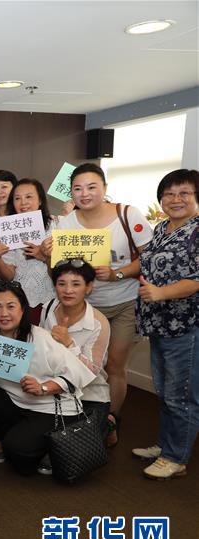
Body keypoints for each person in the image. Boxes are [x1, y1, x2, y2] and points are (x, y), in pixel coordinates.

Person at [43, 163, 153, 446]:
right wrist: (48, 255)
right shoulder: (66, 223)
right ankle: (83, 419)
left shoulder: (127, 214)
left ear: (104, 188)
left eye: (92, 187)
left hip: (125, 301)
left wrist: (118, 273)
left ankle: (110, 421)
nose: (85, 194)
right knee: (86, 363)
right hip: (88, 306)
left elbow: (149, 257)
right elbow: (60, 269)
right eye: (78, 188)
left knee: (115, 365)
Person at [0, 281, 95, 474]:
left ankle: (53, 447)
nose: (4, 313)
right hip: (18, 404)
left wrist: (43, 387)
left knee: (18, 453)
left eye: (10, 306)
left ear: (23, 309)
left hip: (51, 409)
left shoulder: (39, 337)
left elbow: (77, 373)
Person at [133, 169, 199, 480]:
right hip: (159, 324)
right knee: (164, 392)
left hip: (186, 325)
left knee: (181, 395)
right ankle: (166, 445)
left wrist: (161, 293)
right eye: (168, 194)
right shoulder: (161, 228)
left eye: (184, 193)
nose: (175, 199)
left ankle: (176, 457)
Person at [40, 259, 110, 424]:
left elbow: (91, 373)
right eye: (61, 284)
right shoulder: (48, 308)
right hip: (52, 386)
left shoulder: (98, 323)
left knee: (69, 437)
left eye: (76, 284)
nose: (68, 290)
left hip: (88, 395)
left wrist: (68, 344)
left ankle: (109, 423)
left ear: (89, 287)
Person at [0, 179, 55, 323]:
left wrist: (45, 257)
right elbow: (8, 276)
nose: (23, 203)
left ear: (40, 200)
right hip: (19, 301)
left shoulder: (56, 225)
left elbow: (62, 275)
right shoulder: (7, 229)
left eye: (29, 197)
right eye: (17, 198)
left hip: (50, 301)